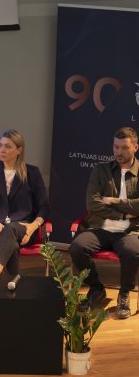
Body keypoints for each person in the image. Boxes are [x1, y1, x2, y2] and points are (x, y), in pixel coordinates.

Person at [69, 126, 139, 319]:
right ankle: (96, 288)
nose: (119, 152)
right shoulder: (101, 170)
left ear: (135, 147)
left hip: (130, 230)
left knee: (132, 251)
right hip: (102, 226)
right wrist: (123, 214)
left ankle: (124, 293)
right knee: (77, 247)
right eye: (116, 147)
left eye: (124, 147)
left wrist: (115, 201)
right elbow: (92, 203)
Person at [0, 129, 49, 277]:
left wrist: (33, 226)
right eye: (0, 145)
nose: (2, 150)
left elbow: (44, 207)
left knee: (10, 229)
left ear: (19, 150)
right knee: (11, 246)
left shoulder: (32, 173)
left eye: (8, 146)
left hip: (24, 228)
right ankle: (12, 284)